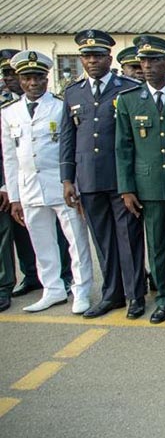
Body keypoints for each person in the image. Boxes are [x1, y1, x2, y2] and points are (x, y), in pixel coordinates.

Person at [60, 30, 147, 319]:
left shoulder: (128, 88)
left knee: (129, 239)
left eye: (98, 55)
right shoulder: (73, 93)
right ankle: (113, 294)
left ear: (110, 58)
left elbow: (135, 139)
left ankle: (136, 296)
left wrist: (132, 182)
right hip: (89, 179)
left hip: (121, 180)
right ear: (81, 60)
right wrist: (67, 179)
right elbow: (68, 139)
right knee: (104, 241)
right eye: (87, 56)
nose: (93, 61)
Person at [1, 50, 94, 313]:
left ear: (46, 78)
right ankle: (52, 289)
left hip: (61, 186)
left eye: (39, 77)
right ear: (19, 80)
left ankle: (81, 290)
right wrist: (14, 196)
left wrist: (73, 182)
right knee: (41, 243)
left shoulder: (59, 106)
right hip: (29, 187)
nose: (33, 83)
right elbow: (10, 157)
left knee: (76, 242)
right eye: (28, 78)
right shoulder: (10, 112)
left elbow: (71, 148)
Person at [115, 35, 165, 324]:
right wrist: (126, 188)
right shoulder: (128, 101)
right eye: (143, 61)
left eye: (153, 60)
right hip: (148, 185)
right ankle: (163, 297)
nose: (147, 66)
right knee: (157, 245)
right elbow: (123, 147)